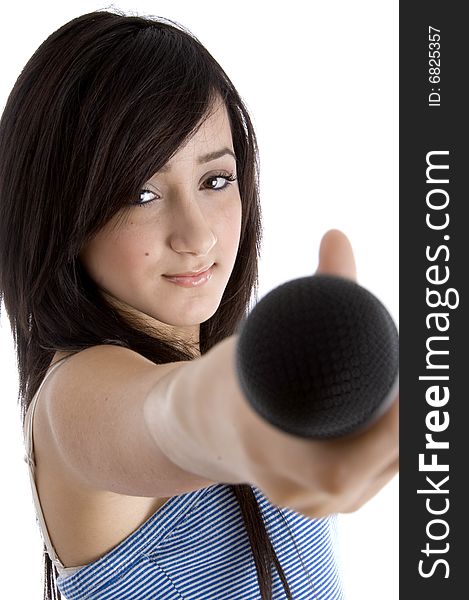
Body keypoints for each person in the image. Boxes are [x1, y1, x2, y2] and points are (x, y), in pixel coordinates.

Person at [0, 8, 399, 600]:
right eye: (141, 193)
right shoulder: (72, 400)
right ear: (65, 216)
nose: (198, 237)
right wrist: (244, 422)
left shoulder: (214, 363)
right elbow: (164, 418)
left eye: (215, 180)